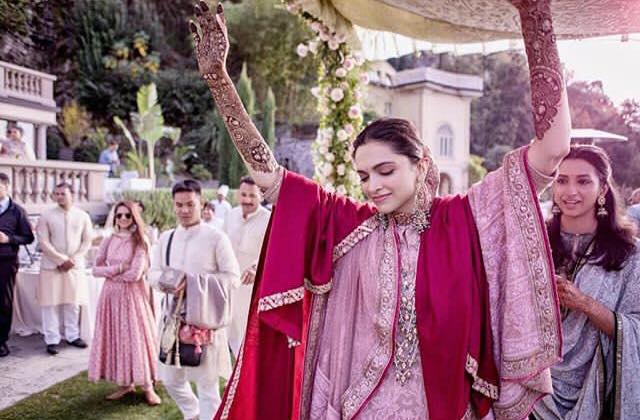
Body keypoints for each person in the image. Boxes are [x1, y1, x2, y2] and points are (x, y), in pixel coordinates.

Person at [190, 1, 571, 419]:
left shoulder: (467, 217)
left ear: (420, 162)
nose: (373, 186)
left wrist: (536, 19)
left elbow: (553, 150)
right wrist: (218, 78)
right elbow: (270, 177)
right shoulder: (355, 226)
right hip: (364, 405)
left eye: (385, 170)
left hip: (444, 404)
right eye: (363, 175)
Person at [531, 145, 640, 419]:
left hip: (597, 394)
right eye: (562, 180)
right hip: (532, 391)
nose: (570, 192)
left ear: (602, 189)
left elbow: (637, 328)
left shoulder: (629, 255)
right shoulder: (533, 244)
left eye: (583, 181)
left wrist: (586, 305)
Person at [148, 179, 240, 420]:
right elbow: (152, 273)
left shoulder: (216, 238)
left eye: (190, 204)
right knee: (170, 379)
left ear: (201, 203)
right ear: (173, 205)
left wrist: (193, 285)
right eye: (179, 205)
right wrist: (167, 283)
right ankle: (193, 413)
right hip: (172, 321)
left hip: (204, 322)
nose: (184, 210)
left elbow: (233, 277)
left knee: (207, 386)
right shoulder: (166, 238)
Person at [88, 201, 161, 405]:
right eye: (119, 215)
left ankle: (147, 385)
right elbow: (95, 269)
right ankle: (125, 383)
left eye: (127, 216)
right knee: (117, 337)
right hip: (110, 297)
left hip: (132, 297)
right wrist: (118, 268)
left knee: (136, 337)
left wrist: (110, 273)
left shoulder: (140, 241)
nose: (122, 219)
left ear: (134, 218)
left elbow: (136, 273)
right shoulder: (108, 240)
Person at [36, 182, 93, 355]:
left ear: (71, 194)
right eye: (56, 194)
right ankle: (52, 339)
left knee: (72, 302)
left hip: (74, 266)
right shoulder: (46, 215)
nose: (59, 196)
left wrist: (73, 260)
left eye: (62, 193)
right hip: (51, 265)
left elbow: (87, 241)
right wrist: (61, 260)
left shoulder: (82, 216)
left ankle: (72, 336)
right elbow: (43, 241)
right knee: (50, 303)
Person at [224, 176, 271, 357]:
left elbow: (271, 251)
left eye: (252, 195)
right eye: (243, 194)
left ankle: (249, 375)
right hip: (229, 286)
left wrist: (255, 267)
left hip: (252, 286)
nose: (247, 200)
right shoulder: (231, 215)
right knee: (230, 332)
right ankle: (236, 375)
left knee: (249, 333)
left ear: (261, 196)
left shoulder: (268, 219)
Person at [0, 173, 34, 357]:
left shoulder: (17, 211)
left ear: (6, 186)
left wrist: (8, 239)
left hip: (6, 262)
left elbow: (29, 237)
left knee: (3, 302)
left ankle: (2, 342)